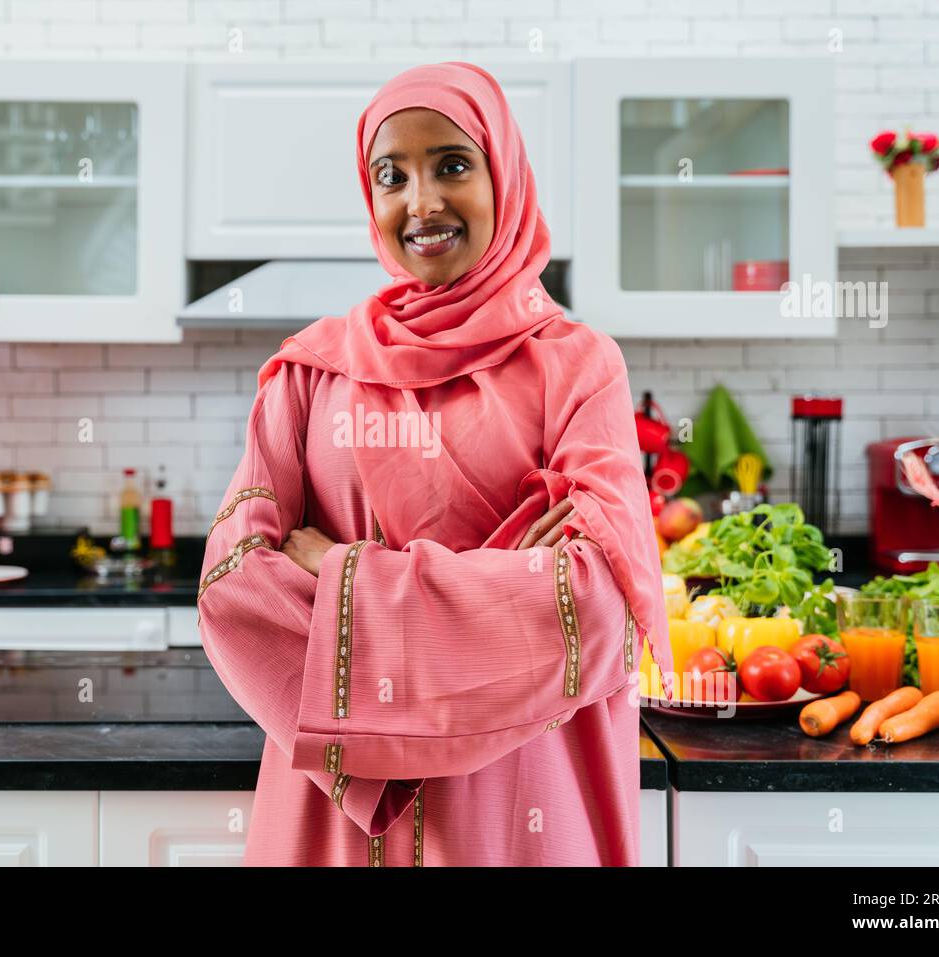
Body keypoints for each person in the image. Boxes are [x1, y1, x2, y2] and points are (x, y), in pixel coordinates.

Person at [197, 61, 673, 867]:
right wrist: (505, 587)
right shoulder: (312, 371)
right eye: (392, 176)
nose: (421, 203)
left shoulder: (578, 366)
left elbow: (600, 613)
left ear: (505, 174)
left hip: (524, 807)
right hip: (342, 820)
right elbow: (232, 591)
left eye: (452, 164)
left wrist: (341, 571)